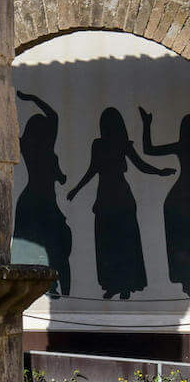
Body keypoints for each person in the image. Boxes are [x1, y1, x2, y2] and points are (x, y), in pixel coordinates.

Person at [63, 105, 165, 299]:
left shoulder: (122, 143)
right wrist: (76, 189)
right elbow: (93, 169)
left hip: (120, 197)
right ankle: (113, 285)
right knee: (109, 243)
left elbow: (141, 165)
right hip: (107, 197)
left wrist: (159, 172)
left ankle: (125, 285)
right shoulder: (99, 144)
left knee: (121, 243)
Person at [13, 91, 73, 295]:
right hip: (44, 202)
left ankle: (49, 287)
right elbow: (54, 116)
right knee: (55, 248)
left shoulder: (27, 146)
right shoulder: (46, 147)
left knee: (37, 247)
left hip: (30, 200)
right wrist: (32, 98)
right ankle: (55, 287)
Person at [138, 105, 190, 295]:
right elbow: (149, 150)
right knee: (181, 240)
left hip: (177, 198)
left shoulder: (180, 145)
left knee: (180, 240)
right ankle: (185, 280)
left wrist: (147, 125)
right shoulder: (181, 145)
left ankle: (185, 280)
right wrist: (146, 124)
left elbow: (148, 149)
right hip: (178, 200)